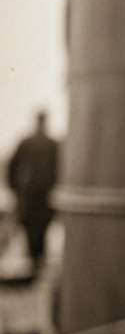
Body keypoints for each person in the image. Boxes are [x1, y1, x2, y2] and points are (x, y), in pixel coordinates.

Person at [6, 109, 60, 273]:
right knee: (37, 228)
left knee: (36, 228)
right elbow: (13, 167)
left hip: (36, 195)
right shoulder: (50, 144)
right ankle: (36, 262)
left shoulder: (31, 143)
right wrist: (15, 189)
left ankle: (35, 262)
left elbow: (11, 167)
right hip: (39, 196)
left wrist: (15, 189)